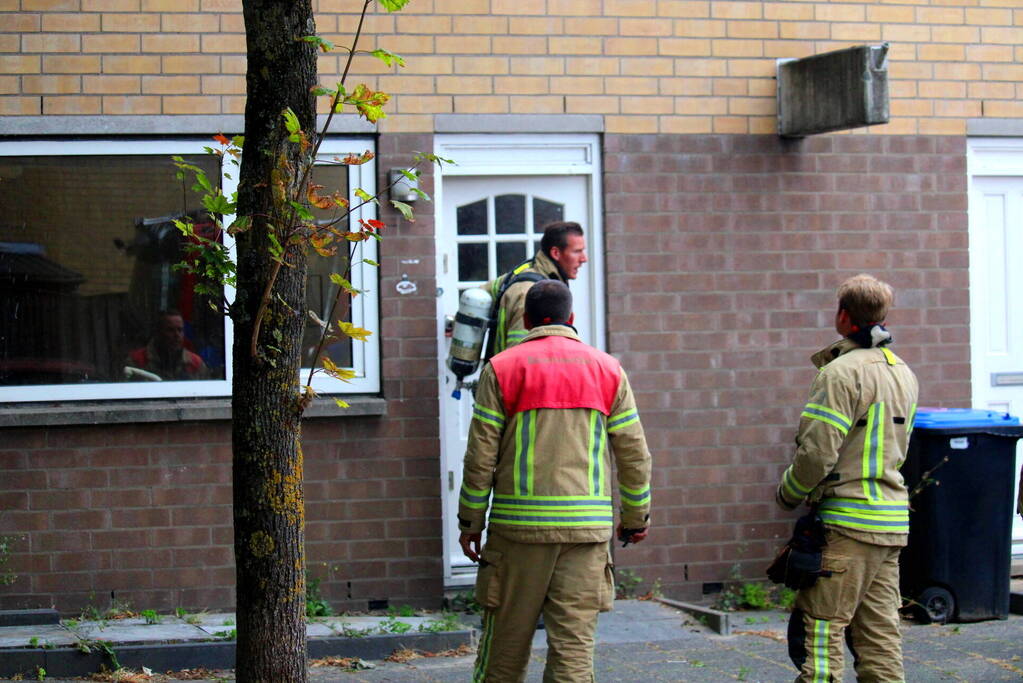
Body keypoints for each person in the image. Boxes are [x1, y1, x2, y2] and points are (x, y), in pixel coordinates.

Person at [459, 279, 652, 682]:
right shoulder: (608, 370)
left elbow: (480, 457)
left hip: (518, 535)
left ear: (526, 321)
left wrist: (470, 522)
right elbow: (634, 455)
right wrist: (636, 519)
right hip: (586, 535)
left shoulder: (503, 368)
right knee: (573, 654)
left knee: (504, 651)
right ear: (572, 317)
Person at [776, 274, 919, 683]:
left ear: (843, 316)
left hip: (847, 526)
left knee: (821, 630)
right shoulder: (903, 372)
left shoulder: (839, 374)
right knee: (879, 635)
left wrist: (789, 492)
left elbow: (817, 453)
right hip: (890, 524)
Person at [485, 221, 588, 356]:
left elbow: (482, 292)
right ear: (556, 253)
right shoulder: (531, 293)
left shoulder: (524, 272)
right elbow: (521, 357)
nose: (584, 259)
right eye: (577, 251)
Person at [126, 309, 209, 380]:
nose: (177, 335)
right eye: (170, 330)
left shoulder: (195, 363)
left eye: (180, 330)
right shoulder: (137, 361)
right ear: (159, 332)